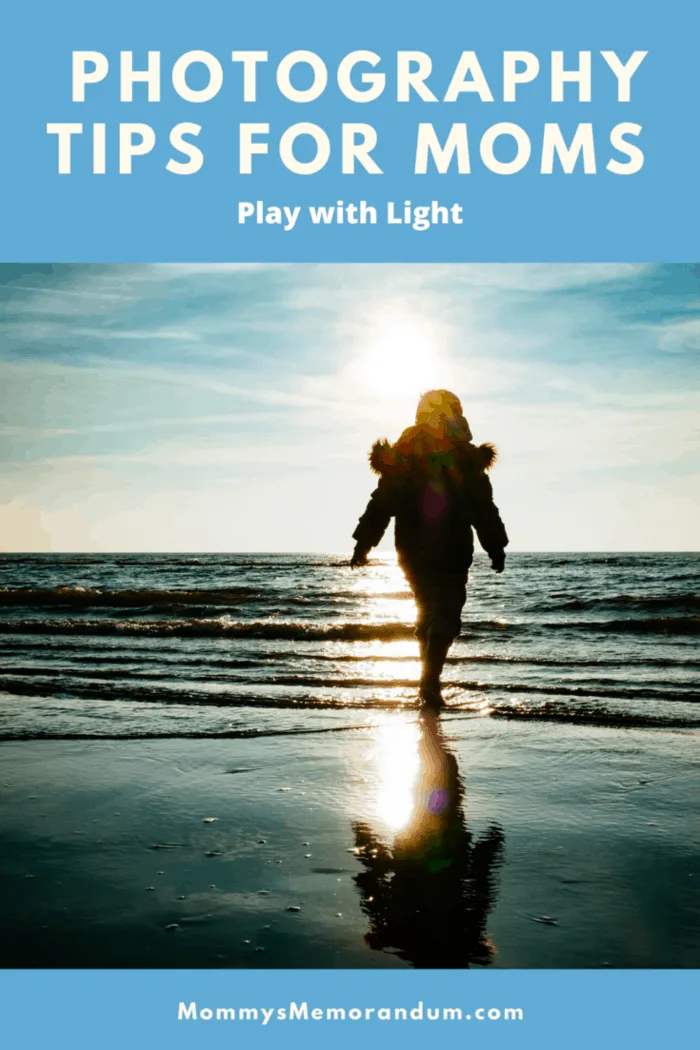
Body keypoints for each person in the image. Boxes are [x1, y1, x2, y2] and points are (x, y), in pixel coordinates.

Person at [350, 389, 508, 708]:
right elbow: (483, 508)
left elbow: (381, 503)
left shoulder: (404, 456)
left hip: (411, 550)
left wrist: (364, 544)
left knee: (427, 611)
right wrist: (495, 547)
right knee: (446, 612)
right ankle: (431, 681)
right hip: (451, 548)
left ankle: (428, 679)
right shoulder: (465, 459)